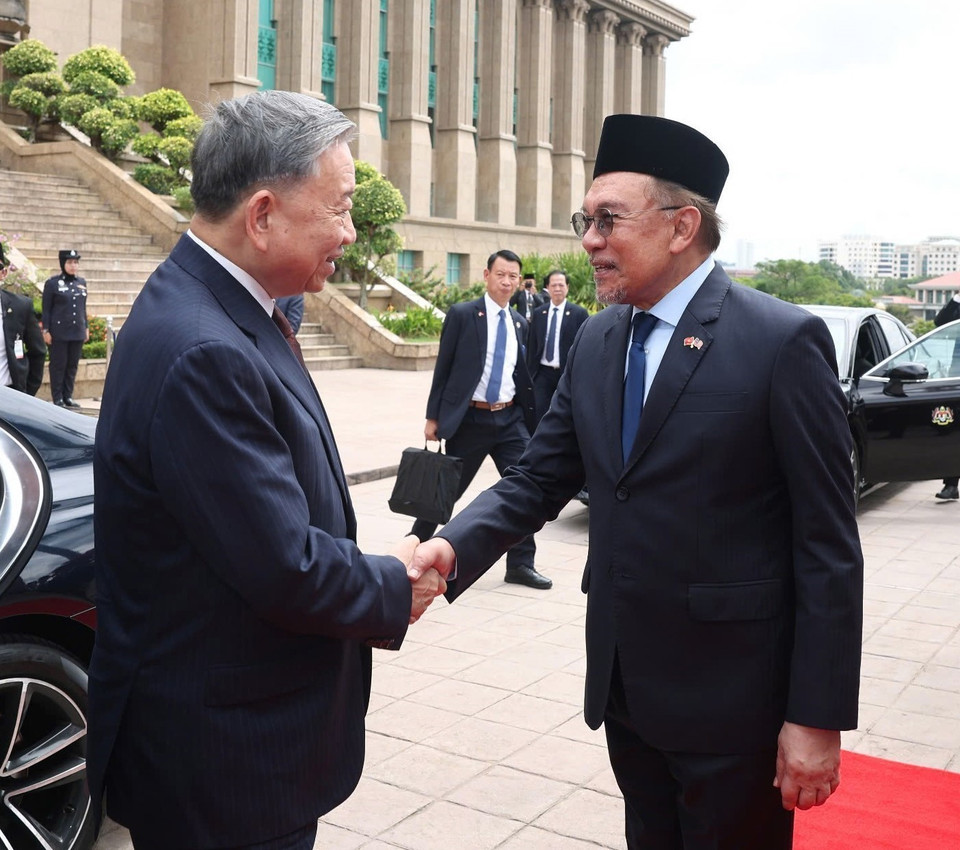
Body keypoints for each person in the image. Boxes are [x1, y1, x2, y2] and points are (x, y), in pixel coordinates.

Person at [410, 114, 864, 849]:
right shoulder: (598, 336)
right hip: (626, 691)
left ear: (683, 226)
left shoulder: (780, 342)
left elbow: (828, 546)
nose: (588, 240)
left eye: (607, 220)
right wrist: (452, 548)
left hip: (735, 708)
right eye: (583, 219)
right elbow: (537, 477)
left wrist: (816, 716)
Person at [88, 91, 446, 850]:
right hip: (223, 768)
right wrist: (393, 579)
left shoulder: (221, 307)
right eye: (341, 208)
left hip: (229, 748)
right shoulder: (204, 349)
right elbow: (283, 564)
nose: (351, 232)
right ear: (261, 216)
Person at [411, 249, 551, 590]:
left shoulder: (520, 322)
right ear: (486, 275)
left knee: (525, 492)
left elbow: (522, 372)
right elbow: (443, 367)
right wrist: (434, 417)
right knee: (445, 492)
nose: (506, 281)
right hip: (470, 420)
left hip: (509, 421)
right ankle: (412, 548)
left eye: (513, 276)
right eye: (500, 274)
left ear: (519, 282)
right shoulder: (462, 314)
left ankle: (520, 564)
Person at [527, 269, 589, 424]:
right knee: (539, 413)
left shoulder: (578, 313)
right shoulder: (539, 313)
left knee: (564, 414)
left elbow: (585, 346)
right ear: (547, 288)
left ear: (567, 287)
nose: (557, 289)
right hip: (542, 373)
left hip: (565, 373)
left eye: (561, 285)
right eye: (553, 285)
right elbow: (532, 345)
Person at [41, 247, 88, 408]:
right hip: (59, 332)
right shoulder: (53, 283)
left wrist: (86, 327)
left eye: (76, 262)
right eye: (70, 262)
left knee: (72, 365)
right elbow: (46, 309)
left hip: (77, 331)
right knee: (58, 365)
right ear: (63, 263)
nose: (73, 265)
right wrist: (45, 330)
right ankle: (57, 398)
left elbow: (83, 308)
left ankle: (68, 396)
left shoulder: (81, 283)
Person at [0, 243, 46, 395]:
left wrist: (27, 395)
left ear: (3, 273)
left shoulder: (20, 306)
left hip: (9, 398)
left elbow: (37, 351)